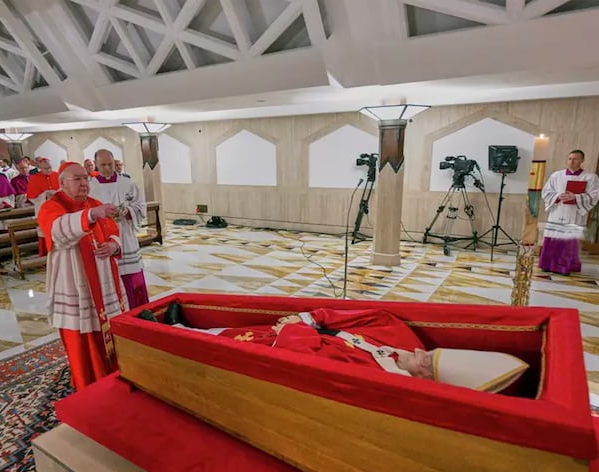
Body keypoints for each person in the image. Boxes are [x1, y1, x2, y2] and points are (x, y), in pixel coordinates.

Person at [142, 305, 530, 392]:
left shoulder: (384, 380)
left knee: (223, 342)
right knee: (229, 329)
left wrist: (296, 333)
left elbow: (309, 366)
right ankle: (179, 325)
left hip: (280, 351)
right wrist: (308, 318)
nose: (416, 353)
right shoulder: (404, 344)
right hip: (295, 333)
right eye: (426, 351)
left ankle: (165, 333)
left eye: (424, 360)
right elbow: (368, 316)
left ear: (428, 377)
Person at [38, 162, 126, 390]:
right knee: (81, 335)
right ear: (62, 183)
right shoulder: (52, 206)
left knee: (109, 331)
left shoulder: (94, 204)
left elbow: (113, 232)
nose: (84, 183)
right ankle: (88, 384)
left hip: (103, 281)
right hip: (75, 282)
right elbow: (57, 232)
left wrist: (113, 246)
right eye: (77, 179)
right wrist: (89, 216)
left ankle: (114, 375)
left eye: (86, 178)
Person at [90, 149, 149, 308]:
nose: (108, 168)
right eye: (103, 165)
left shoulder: (127, 183)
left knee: (132, 275)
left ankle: (139, 310)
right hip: (104, 236)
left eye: (110, 164)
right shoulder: (90, 187)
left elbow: (140, 206)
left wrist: (126, 211)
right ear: (95, 164)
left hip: (125, 234)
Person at [539, 150, 599, 275]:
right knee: (553, 238)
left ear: (582, 161)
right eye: (570, 158)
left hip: (574, 213)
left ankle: (564, 266)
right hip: (558, 211)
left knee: (568, 241)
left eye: (575, 159)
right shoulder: (557, 175)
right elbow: (546, 191)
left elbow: (594, 195)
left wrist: (576, 197)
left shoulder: (590, 177)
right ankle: (548, 264)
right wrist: (557, 196)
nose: (572, 161)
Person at [27, 157, 59, 256]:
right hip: (43, 209)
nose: (48, 170)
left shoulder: (57, 175)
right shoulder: (34, 178)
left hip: (58, 208)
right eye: (45, 168)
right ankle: (45, 255)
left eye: (49, 167)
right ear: (40, 168)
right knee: (44, 232)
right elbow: (31, 196)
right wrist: (45, 195)